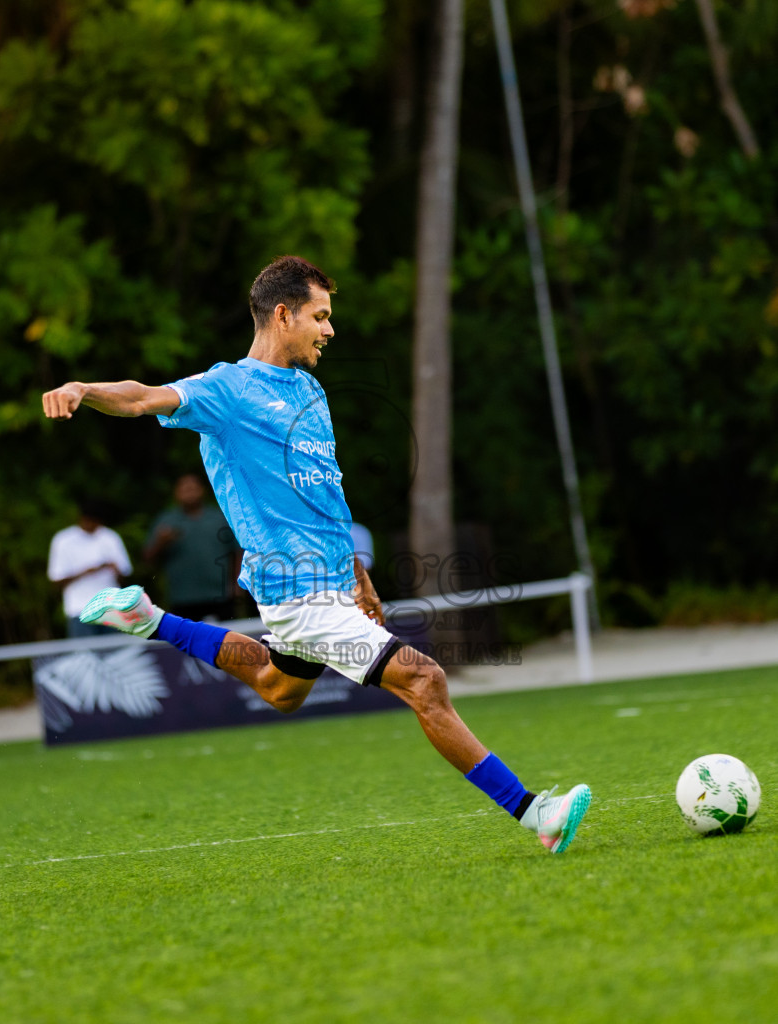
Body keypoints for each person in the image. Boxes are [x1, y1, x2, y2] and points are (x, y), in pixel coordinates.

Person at [41, 255, 591, 854]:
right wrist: (83, 389)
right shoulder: (226, 389)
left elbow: (325, 488)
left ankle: (149, 619)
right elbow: (142, 397)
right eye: (320, 316)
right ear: (283, 315)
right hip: (294, 591)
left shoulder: (309, 389)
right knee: (424, 679)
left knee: (280, 688)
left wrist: (360, 573)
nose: (330, 330)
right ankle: (536, 812)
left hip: (332, 584)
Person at [144, 472, 243, 620]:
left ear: (202, 489)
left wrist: (238, 583)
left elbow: (237, 551)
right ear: (176, 493)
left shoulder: (219, 517)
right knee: (188, 641)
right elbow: (147, 558)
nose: (189, 492)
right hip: (183, 597)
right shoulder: (166, 520)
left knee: (228, 639)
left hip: (220, 594)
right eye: (184, 489)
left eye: (193, 488)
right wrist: (161, 542)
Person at [47, 499, 133, 637]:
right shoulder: (63, 540)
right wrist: (88, 572)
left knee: (118, 656)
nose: (94, 526)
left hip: (111, 610)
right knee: (85, 657)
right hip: (80, 610)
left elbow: (125, 574)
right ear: (82, 518)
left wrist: (115, 570)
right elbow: (56, 580)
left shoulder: (110, 537)